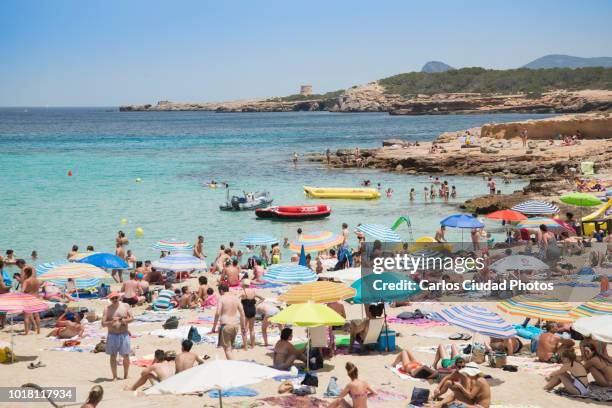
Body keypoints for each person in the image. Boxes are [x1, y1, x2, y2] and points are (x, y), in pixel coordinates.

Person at [102, 292, 133, 381]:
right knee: (113, 356)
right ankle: (114, 376)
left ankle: (126, 375)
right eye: (113, 298)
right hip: (112, 335)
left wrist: (124, 320)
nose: (115, 300)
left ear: (119, 298)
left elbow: (132, 318)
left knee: (126, 355)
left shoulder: (125, 306)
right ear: (110, 300)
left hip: (124, 334)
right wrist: (111, 322)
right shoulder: (107, 309)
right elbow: (103, 324)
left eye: (116, 298)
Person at [211, 284, 247, 359]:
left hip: (226, 325)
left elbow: (217, 313)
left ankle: (232, 367)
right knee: (230, 348)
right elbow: (242, 313)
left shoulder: (222, 298)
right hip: (235, 325)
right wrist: (243, 327)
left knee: (227, 349)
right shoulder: (236, 298)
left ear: (221, 291)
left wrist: (213, 328)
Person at [239, 279, 264, 348]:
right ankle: (253, 345)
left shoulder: (243, 292)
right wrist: (256, 304)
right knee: (252, 329)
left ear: (243, 285)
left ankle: (245, 346)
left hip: (245, 310)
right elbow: (262, 298)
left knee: (244, 329)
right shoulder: (253, 291)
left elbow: (236, 299)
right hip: (253, 310)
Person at [22, 266, 41, 335]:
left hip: (28, 299)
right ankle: (38, 331)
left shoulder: (26, 281)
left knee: (26, 316)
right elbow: (38, 290)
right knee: (37, 315)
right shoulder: (36, 280)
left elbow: (22, 291)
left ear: (26, 273)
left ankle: (26, 332)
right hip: (35, 298)